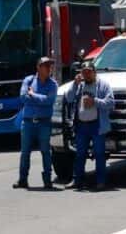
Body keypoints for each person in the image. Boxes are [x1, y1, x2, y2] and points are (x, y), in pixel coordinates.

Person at [68, 60, 114, 190]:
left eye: (89, 72)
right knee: (79, 154)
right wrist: (74, 84)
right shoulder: (79, 85)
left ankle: (100, 182)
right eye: (84, 72)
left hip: (97, 125)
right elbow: (69, 98)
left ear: (94, 72)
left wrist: (95, 101)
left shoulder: (103, 85)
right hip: (81, 125)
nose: (86, 75)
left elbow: (111, 103)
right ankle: (77, 180)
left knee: (99, 154)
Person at [15, 56, 59, 189]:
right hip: (28, 122)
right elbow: (23, 97)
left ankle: (47, 180)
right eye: (46, 66)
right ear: (38, 68)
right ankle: (23, 180)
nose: (49, 68)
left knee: (45, 151)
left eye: (50, 66)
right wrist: (40, 99)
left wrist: (33, 95)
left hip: (44, 123)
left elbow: (49, 101)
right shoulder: (28, 80)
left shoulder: (53, 84)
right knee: (25, 152)